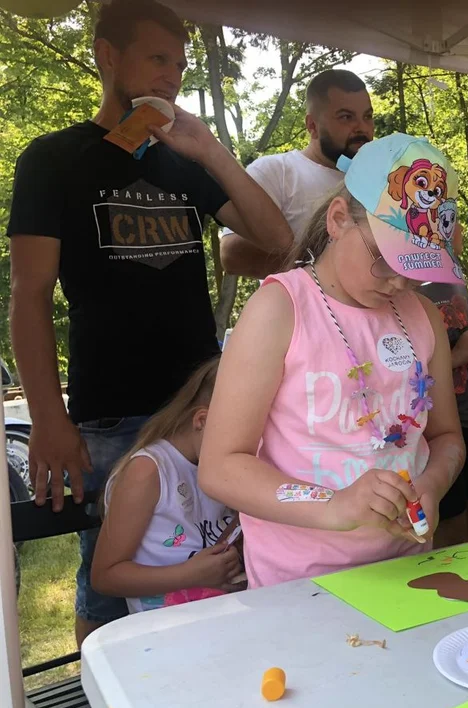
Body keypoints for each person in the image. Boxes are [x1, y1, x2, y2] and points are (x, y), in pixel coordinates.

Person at [7, 0, 290, 646]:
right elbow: (29, 295)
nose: (171, 76)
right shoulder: (53, 159)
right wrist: (51, 420)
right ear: (109, 56)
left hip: (205, 411)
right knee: (106, 583)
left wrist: (210, 149)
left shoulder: (185, 158)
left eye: (180, 64)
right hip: (113, 418)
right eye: (157, 58)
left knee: (226, 563)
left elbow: (274, 241)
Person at [198, 134, 466, 587]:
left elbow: (447, 438)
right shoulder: (281, 309)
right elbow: (221, 467)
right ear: (339, 219)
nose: (399, 282)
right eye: (385, 260)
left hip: (407, 569)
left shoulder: (422, 317)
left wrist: (433, 483)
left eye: (416, 268)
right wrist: (334, 505)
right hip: (301, 583)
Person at [91, 358, 242, 612]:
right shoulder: (149, 471)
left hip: (215, 617)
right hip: (162, 632)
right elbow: (104, 576)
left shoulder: (214, 465)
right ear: (202, 421)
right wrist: (191, 574)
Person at [220, 69, 375, 278]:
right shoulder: (275, 172)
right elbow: (232, 254)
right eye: (346, 117)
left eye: (368, 116)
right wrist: (327, 274)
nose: (362, 128)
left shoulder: (377, 179)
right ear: (312, 126)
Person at [418, 237, 468, 545]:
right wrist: (456, 357)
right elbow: (404, 374)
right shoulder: (411, 291)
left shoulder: (455, 279)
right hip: (435, 428)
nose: (457, 232)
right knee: (450, 522)